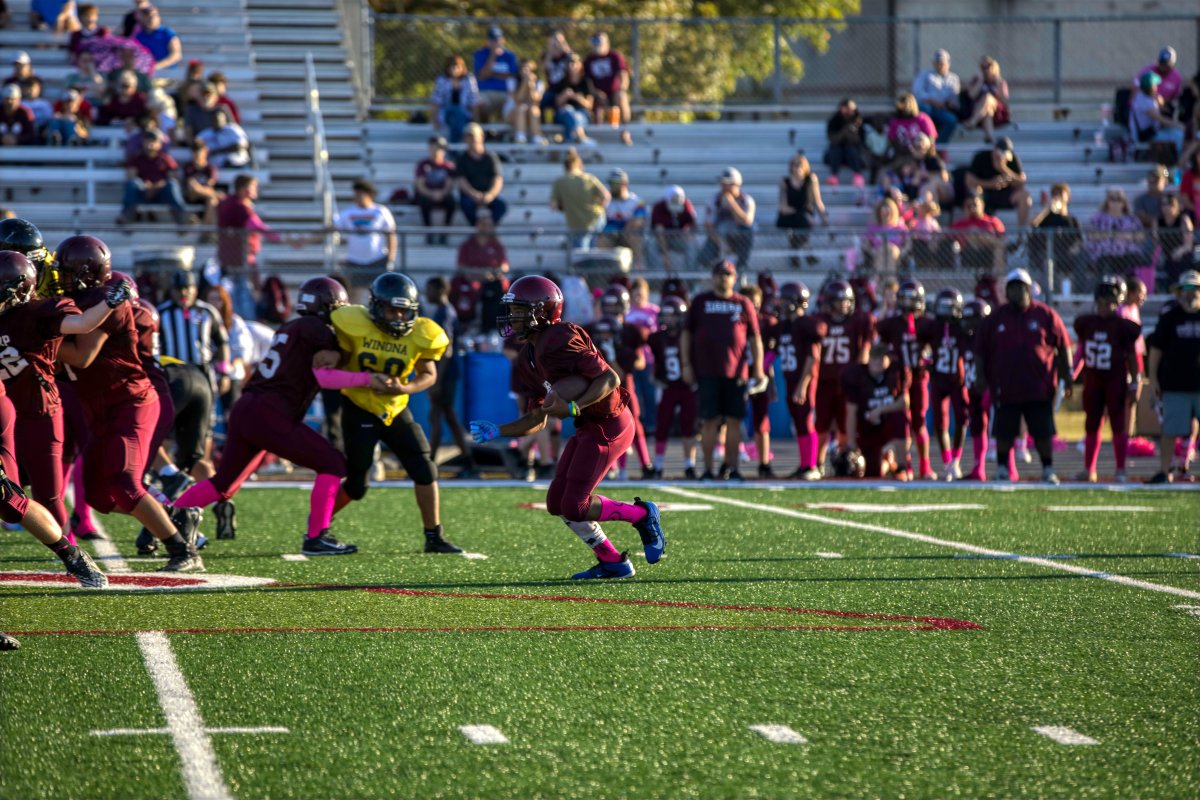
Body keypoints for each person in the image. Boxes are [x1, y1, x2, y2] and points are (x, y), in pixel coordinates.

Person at [468, 275, 665, 579]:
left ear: (543, 311)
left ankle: (641, 515)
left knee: (575, 505)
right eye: (512, 310)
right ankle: (613, 562)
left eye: (519, 310)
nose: (513, 317)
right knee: (557, 502)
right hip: (589, 426)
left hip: (611, 423)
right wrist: (499, 431)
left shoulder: (559, 337)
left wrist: (574, 407)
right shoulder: (527, 357)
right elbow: (538, 418)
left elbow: (610, 379)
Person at [171, 277, 356, 553]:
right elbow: (347, 352)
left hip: (248, 407)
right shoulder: (314, 328)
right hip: (270, 413)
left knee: (224, 484)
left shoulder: (292, 326)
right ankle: (317, 536)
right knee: (333, 464)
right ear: (329, 306)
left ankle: (166, 521)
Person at [53, 236, 204, 570]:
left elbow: (83, 356)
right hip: (99, 408)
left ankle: (183, 551)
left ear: (86, 272)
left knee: (124, 482)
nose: (60, 277)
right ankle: (172, 515)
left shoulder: (104, 300)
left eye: (66, 271)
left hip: (130, 401)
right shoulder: (74, 300)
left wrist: (36, 342)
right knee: (98, 495)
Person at [328, 272, 462, 554]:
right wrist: (334, 358)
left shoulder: (423, 333)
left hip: (395, 407)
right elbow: (337, 360)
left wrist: (405, 387)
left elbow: (428, 374)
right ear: (376, 307)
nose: (399, 317)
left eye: (404, 311)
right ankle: (319, 525)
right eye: (392, 310)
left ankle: (434, 536)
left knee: (424, 467)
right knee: (357, 484)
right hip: (360, 406)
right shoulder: (354, 324)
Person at [974, 268, 1074, 484]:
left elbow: (1064, 345)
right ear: (1006, 292)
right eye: (1013, 288)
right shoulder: (996, 318)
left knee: (1042, 432)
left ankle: (1047, 468)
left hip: (1038, 387)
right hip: (1006, 386)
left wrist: (1068, 375)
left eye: (1021, 288)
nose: (1017, 292)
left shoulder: (1045, 315)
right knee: (1004, 431)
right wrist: (980, 377)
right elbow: (981, 350)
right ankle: (1002, 468)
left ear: (1029, 290)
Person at [680, 260, 766, 482]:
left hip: (736, 373)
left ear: (734, 278)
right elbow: (686, 334)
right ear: (713, 277)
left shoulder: (743, 303)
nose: (723, 278)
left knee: (734, 421)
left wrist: (758, 367)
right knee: (708, 422)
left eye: (728, 274)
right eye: (720, 274)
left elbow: (755, 338)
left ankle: (732, 468)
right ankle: (708, 469)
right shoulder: (700, 302)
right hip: (707, 371)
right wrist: (686, 364)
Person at [1072, 276, 1141, 483]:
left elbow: (1132, 357)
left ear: (1117, 303)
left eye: (1109, 303)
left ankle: (1120, 469)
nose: (1104, 307)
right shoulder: (1086, 323)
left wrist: (1135, 382)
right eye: (1101, 303)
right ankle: (1089, 469)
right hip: (1093, 379)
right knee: (1092, 424)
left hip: (1115, 380)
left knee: (1118, 424)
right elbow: (1081, 350)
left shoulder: (1123, 326)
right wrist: (1072, 374)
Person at [877, 279, 940, 480]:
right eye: (904, 299)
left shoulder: (928, 324)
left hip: (919, 376)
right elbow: (877, 334)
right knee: (902, 421)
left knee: (919, 421)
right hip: (898, 378)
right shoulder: (892, 324)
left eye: (911, 299)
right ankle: (905, 465)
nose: (907, 303)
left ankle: (925, 465)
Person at [813, 280, 875, 472]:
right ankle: (817, 463)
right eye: (840, 301)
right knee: (821, 425)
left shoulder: (858, 321)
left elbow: (866, 346)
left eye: (847, 300)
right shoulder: (819, 321)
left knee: (845, 426)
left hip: (847, 383)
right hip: (824, 381)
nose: (845, 305)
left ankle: (843, 459)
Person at [1147, 270, 1200, 483]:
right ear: (1179, 292)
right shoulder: (1170, 318)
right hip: (1175, 385)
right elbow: (1156, 350)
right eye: (1186, 288)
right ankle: (1164, 470)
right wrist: (1153, 379)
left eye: (1194, 288)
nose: (1190, 293)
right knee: (1170, 431)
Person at [771, 282, 825, 480]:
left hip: (805, 380)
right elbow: (773, 351)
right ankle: (804, 465)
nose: (782, 304)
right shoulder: (785, 326)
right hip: (791, 380)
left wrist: (803, 385)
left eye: (786, 300)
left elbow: (812, 358)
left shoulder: (807, 325)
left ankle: (811, 466)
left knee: (806, 420)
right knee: (799, 422)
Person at [424, 276, 476, 478]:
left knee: (436, 414)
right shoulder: (444, 311)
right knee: (448, 416)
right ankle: (469, 462)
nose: (426, 293)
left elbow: (446, 349)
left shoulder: (445, 312)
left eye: (429, 289)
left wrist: (436, 380)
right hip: (447, 372)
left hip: (445, 373)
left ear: (440, 290)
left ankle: (429, 464)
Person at [842, 344, 911, 479]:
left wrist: (879, 410)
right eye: (874, 358)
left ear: (889, 359)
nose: (877, 362)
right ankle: (889, 463)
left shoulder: (895, 373)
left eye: (881, 358)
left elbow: (904, 402)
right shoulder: (857, 376)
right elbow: (851, 412)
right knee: (872, 473)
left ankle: (902, 466)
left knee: (900, 418)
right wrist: (851, 443)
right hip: (867, 429)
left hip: (888, 425)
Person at [217, 175, 281, 320]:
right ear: (242, 189)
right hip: (240, 257)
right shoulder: (240, 207)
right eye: (252, 187)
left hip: (229, 255)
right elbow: (258, 227)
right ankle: (245, 320)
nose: (255, 190)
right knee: (243, 290)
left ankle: (234, 319)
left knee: (236, 289)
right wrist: (284, 238)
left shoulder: (228, 202)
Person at [648, 296, 698, 478]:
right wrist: (655, 375)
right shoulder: (656, 338)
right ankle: (658, 464)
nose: (668, 319)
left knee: (689, 426)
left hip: (688, 388)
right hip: (667, 387)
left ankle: (689, 465)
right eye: (666, 315)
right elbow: (655, 359)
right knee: (662, 425)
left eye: (672, 316)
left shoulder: (689, 336)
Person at [923, 288, 970, 480]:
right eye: (943, 307)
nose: (946, 311)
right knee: (940, 423)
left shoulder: (962, 327)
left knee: (962, 418)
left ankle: (955, 461)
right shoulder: (932, 327)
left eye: (950, 307)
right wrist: (925, 359)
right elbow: (919, 342)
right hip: (938, 378)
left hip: (958, 380)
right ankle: (947, 461)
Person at [333, 178, 397, 300]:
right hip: (354, 260)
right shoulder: (348, 212)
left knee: (380, 294)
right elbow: (332, 227)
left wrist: (390, 258)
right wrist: (306, 240)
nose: (356, 197)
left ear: (369, 194)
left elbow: (391, 234)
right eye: (355, 194)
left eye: (359, 194)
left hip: (377, 259)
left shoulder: (380, 211)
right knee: (352, 294)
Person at [118, 135, 190, 226]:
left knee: (172, 184)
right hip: (143, 192)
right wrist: (145, 185)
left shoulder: (166, 159)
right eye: (148, 141)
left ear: (159, 144)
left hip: (161, 193)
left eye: (153, 141)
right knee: (133, 183)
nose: (150, 145)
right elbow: (131, 177)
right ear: (143, 143)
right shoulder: (136, 159)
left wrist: (158, 185)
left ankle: (182, 217)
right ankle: (126, 216)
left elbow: (173, 178)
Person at [964, 136, 1032, 228]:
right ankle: (975, 228)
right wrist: (991, 184)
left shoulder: (1012, 159)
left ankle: (1021, 232)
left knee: (1025, 195)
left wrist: (1003, 169)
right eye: (999, 152)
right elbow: (969, 181)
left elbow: (1022, 181)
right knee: (975, 192)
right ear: (994, 150)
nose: (1001, 156)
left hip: (1005, 195)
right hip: (984, 195)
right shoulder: (981, 157)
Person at [549, 148, 608, 249]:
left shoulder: (560, 182)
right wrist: (599, 206)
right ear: (580, 165)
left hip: (576, 223)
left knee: (580, 253)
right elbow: (606, 196)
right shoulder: (589, 178)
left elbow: (553, 205)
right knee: (594, 249)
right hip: (596, 218)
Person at [698, 167, 755, 271]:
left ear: (737, 184)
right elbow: (708, 226)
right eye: (723, 183)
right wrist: (722, 243)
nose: (724, 187)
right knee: (704, 258)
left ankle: (741, 268)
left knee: (747, 232)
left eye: (729, 184)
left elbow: (747, 222)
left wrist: (731, 203)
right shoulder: (714, 200)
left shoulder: (746, 200)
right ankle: (713, 273)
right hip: (718, 237)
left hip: (739, 238)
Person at [584, 32, 633, 145]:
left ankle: (625, 131)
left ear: (607, 43)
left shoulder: (615, 56)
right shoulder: (589, 60)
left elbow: (623, 75)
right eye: (595, 42)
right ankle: (598, 136)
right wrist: (595, 92)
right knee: (594, 102)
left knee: (621, 97)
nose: (597, 45)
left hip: (614, 92)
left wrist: (621, 89)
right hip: (598, 93)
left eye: (600, 42)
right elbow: (588, 81)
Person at [456, 123, 506, 225]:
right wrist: (474, 194)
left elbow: (498, 179)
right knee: (466, 204)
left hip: (489, 195)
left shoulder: (491, 157)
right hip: (470, 196)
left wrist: (490, 195)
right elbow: (462, 181)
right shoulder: (462, 159)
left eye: (473, 136)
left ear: (481, 136)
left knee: (501, 206)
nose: (471, 139)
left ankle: (488, 226)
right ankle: (477, 227)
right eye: (468, 136)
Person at [1087, 188, 1144, 277]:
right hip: (1104, 254)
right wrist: (1110, 234)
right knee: (1104, 264)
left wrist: (1127, 236)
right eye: (1112, 199)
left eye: (1119, 199)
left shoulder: (1132, 219)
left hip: (1127, 253)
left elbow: (1140, 236)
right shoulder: (1098, 218)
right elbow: (1090, 235)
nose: (1115, 202)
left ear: (1124, 203)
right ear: (1107, 202)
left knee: (1134, 261)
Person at [776, 153, 828, 249]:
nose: (797, 167)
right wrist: (800, 212)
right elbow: (783, 207)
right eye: (794, 164)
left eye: (800, 164)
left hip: (805, 217)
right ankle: (802, 248)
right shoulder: (785, 182)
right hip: (791, 215)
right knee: (799, 219)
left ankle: (797, 248)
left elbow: (818, 201)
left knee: (804, 220)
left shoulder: (811, 179)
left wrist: (824, 218)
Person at [599, 168, 647, 266]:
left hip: (628, 234)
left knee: (634, 235)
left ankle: (638, 265)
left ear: (624, 184)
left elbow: (639, 221)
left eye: (614, 183)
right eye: (610, 183)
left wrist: (624, 230)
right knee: (602, 239)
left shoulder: (637, 201)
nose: (611, 186)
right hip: (611, 235)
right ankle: (605, 267)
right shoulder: (605, 201)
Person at [911, 48, 960, 143]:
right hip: (927, 106)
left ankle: (938, 146)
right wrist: (932, 101)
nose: (940, 65)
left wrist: (947, 104)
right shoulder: (924, 74)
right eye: (937, 62)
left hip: (942, 109)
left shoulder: (954, 78)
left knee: (951, 120)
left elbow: (954, 99)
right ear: (933, 63)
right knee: (925, 110)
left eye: (942, 63)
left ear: (948, 64)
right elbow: (917, 92)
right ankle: (923, 142)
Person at [413, 136, 456, 243]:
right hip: (428, 194)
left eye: (438, 147)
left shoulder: (448, 166)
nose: (435, 150)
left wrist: (442, 193)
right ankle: (428, 232)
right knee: (423, 201)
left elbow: (449, 184)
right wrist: (432, 193)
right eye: (433, 147)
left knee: (451, 202)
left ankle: (445, 232)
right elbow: (420, 185)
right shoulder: (423, 164)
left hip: (442, 194)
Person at [1130, 71, 1185, 153]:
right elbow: (1161, 119)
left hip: (1152, 131)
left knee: (1175, 130)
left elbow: (1163, 109)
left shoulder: (1146, 96)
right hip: (1145, 135)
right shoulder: (1143, 101)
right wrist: (1179, 125)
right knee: (1178, 134)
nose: (1156, 87)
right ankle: (1179, 158)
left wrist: (1159, 101)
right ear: (1151, 87)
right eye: (1155, 85)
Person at [472, 26, 517, 125]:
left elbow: (512, 76)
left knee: (514, 105)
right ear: (487, 41)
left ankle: (504, 132)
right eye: (492, 40)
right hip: (485, 92)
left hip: (506, 93)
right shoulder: (480, 54)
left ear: (503, 40)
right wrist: (493, 55)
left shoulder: (510, 56)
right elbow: (482, 76)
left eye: (497, 39)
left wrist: (492, 74)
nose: (495, 42)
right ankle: (484, 130)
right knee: (478, 104)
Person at [952, 192, 1006, 272]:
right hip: (968, 252)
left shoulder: (993, 221)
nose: (972, 208)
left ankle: (998, 274)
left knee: (998, 244)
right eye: (969, 206)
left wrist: (980, 235)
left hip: (989, 252)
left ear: (982, 205)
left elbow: (1002, 239)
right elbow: (946, 237)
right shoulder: (959, 224)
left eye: (975, 205)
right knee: (972, 232)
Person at [430, 55, 478, 144]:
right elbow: (436, 101)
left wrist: (475, 120)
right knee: (455, 110)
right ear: (447, 68)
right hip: (446, 112)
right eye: (452, 67)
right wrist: (434, 120)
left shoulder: (469, 79)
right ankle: (457, 143)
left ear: (462, 68)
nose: (454, 69)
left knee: (458, 114)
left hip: (464, 113)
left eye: (457, 67)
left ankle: (453, 143)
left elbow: (473, 100)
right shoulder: (442, 80)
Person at [963, 56, 1010, 143]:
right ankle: (989, 136)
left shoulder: (1000, 82)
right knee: (988, 113)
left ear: (994, 67)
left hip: (997, 112)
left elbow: (1004, 100)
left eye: (988, 67)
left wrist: (997, 84)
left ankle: (973, 121)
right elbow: (971, 95)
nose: (985, 70)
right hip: (978, 109)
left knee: (988, 97)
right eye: (983, 67)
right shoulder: (976, 80)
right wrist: (980, 81)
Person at [649, 185, 696, 270]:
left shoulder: (686, 205)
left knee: (691, 245)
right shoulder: (658, 207)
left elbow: (693, 223)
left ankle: (691, 272)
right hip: (661, 239)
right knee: (650, 244)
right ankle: (654, 273)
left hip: (679, 238)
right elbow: (659, 231)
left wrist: (689, 235)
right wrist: (665, 256)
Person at [824, 98, 866, 187]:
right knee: (836, 149)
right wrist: (844, 132)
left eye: (850, 109)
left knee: (850, 149)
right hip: (836, 155)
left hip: (852, 155)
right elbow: (832, 139)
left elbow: (861, 141)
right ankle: (834, 176)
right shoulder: (834, 121)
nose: (848, 111)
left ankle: (858, 175)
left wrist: (851, 135)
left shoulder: (858, 121)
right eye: (846, 108)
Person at [1155, 192, 1194, 289]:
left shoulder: (1183, 219)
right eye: (1163, 204)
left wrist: (1179, 251)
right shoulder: (1158, 221)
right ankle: (1172, 289)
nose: (1166, 207)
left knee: (1181, 262)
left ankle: (1185, 289)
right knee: (1169, 263)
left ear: (1175, 206)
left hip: (1184, 252)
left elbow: (1188, 244)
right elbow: (1156, 242)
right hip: (1167, 254)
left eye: (1169, 204)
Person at [553, 55, 593, 145]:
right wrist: (564, 96)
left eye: (574, 63)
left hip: (581, 113)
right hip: (564, 114)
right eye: (569, 63)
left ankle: (569, 142)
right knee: (568, 111)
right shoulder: (562, 82)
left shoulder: (586, 82)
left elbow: (589, 105)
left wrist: (577, 98)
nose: (572, 65)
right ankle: (581, 137)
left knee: (576, 116)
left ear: (580, 64)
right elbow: (557, 103)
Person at [863, 196, 909, 272]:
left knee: (890, 250)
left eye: (888, 213)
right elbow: (865, 243)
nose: (885, 215)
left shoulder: (900, 227)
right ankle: (885, 276)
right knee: (883, 250)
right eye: (883, 212)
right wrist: (871, 251)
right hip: (878, 252)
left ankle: (884, 276)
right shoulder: (873, 227)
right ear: (879, 213)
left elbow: (908, 242)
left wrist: (903, 251)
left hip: (896, 253)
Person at [506, 58, 546, 145]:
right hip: (513, 113)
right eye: (523, 68)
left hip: (531, 115)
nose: (526, 72)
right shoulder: (512, 81)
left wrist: (531, 86)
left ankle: (536, 138)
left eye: (529, 69)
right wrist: (525, 83)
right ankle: (520, 137)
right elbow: (518, 100)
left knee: (533, 109)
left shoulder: (539, 83)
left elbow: (535, 101)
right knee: (522, 108)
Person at [183, 139, 222, 226]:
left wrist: (199, 188)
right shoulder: (189, 167)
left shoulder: (210, 168)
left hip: (204, 198)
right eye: (195, 151)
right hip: (191, 197)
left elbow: (210, 184)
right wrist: (214, 193)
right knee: (194, 188)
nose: (197, 154)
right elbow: (191, 186)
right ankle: (214, 194)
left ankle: (205, 228)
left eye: (199, 151)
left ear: (205, 152)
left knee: (212, 200)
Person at [132, 5, 182, 74]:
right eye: (147, 16)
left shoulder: (167, 33)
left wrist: (158, 66)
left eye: (153, 15)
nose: (150, 18)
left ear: (159, 17)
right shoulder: (138, 35)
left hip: (167, 73)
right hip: (146, 73)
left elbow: (176, 55)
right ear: (143, 18)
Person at [456, 209, 508, 274]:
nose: (485, 228)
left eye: (489, 225)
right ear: (477, 225)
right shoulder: (466, 245)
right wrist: (473, 273)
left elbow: (505, 266)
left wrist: (493, 273)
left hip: (492, 277)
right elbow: (460, 266)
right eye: (483, 224)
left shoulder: (497, 246)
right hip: (470, 277)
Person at [887, 92, 939, 158]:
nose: (906, 108)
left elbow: (931, 138)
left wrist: (922, 150)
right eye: (903, 105)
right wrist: (907, 152)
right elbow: (892, 140)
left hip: (924, 153)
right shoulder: (895, 122)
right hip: (903, 156)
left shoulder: (923, 118)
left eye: (908, 105)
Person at [1136, 46, 1183, 117]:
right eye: (1161, 63)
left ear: (1172, 64)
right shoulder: (1148, 71)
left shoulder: (1177, 77)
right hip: (1147, 109)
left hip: (1165, 109)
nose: (1163, 67)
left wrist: (1163, 103)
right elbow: (1136, 89)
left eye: (1166, 64)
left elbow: (1176, 98)